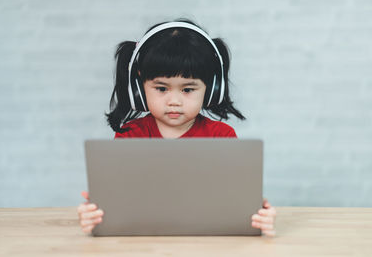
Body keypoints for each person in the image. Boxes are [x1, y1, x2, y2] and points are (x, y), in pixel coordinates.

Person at [77, 19, 277, 236]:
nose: (174, 101)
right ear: (139, 87)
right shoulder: (130, 136)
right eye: (161, 88)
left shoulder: (222, 136)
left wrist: (257, 215)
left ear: (211, 89)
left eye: (188, 90)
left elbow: (235, 200)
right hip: (144, 242)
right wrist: (96, 214)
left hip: (208, 240)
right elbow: (118, 201)